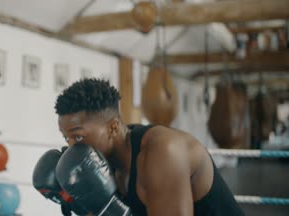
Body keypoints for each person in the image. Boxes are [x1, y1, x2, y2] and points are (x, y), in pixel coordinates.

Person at [53, 78, 244, 216]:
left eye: (77, 137)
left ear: (112, 127)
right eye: (66, 138)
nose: (70, 147)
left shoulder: (163, 152)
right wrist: (76, 202)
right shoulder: (103, 166)